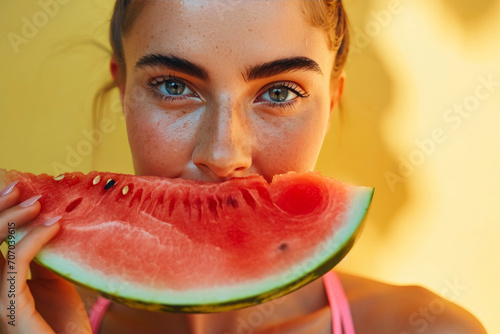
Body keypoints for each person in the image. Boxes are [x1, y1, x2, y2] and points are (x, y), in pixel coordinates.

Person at [0, 1, 487, 333]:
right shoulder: (24, 315)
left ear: (332, 101)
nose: (223, 153)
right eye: (173, 86)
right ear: (124, 90)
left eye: (279, 93)